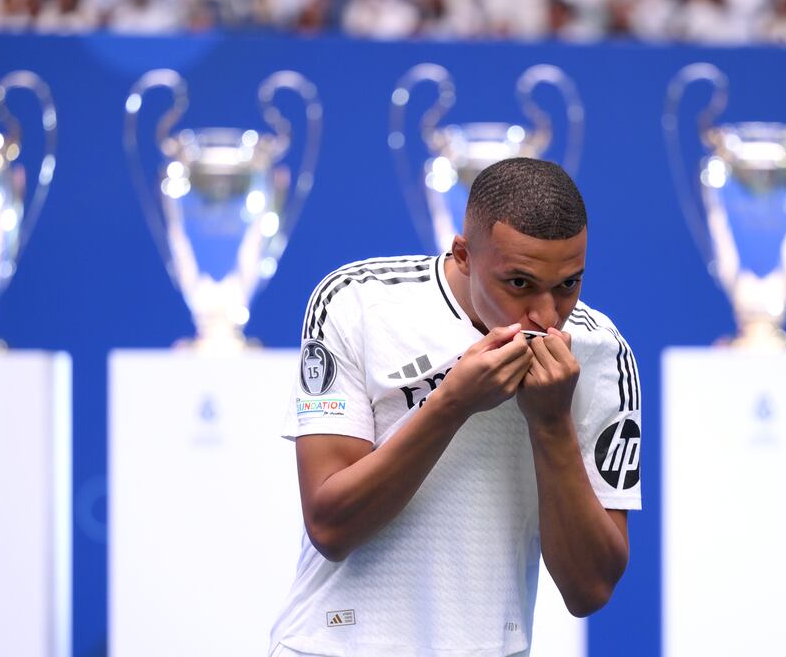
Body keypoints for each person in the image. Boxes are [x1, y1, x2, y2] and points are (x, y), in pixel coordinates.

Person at [270, 157, 642, 656]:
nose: (546, 315)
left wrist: (552, 423)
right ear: (463, 255)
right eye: (519, 284)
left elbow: (590, 590)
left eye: (568, 285)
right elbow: (331, 527)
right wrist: (452, 403)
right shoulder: (356, 300)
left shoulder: (603, 351)